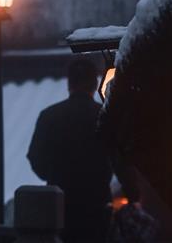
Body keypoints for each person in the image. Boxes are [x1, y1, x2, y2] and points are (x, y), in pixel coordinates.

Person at [27, 59, 112, 242]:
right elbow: (119, 157)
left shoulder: (49, 116)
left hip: (58, 205)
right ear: (95, 83)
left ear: (69, 84)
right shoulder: (104, 116)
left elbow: (34, 157)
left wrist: (53, 175)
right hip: (96, 204)